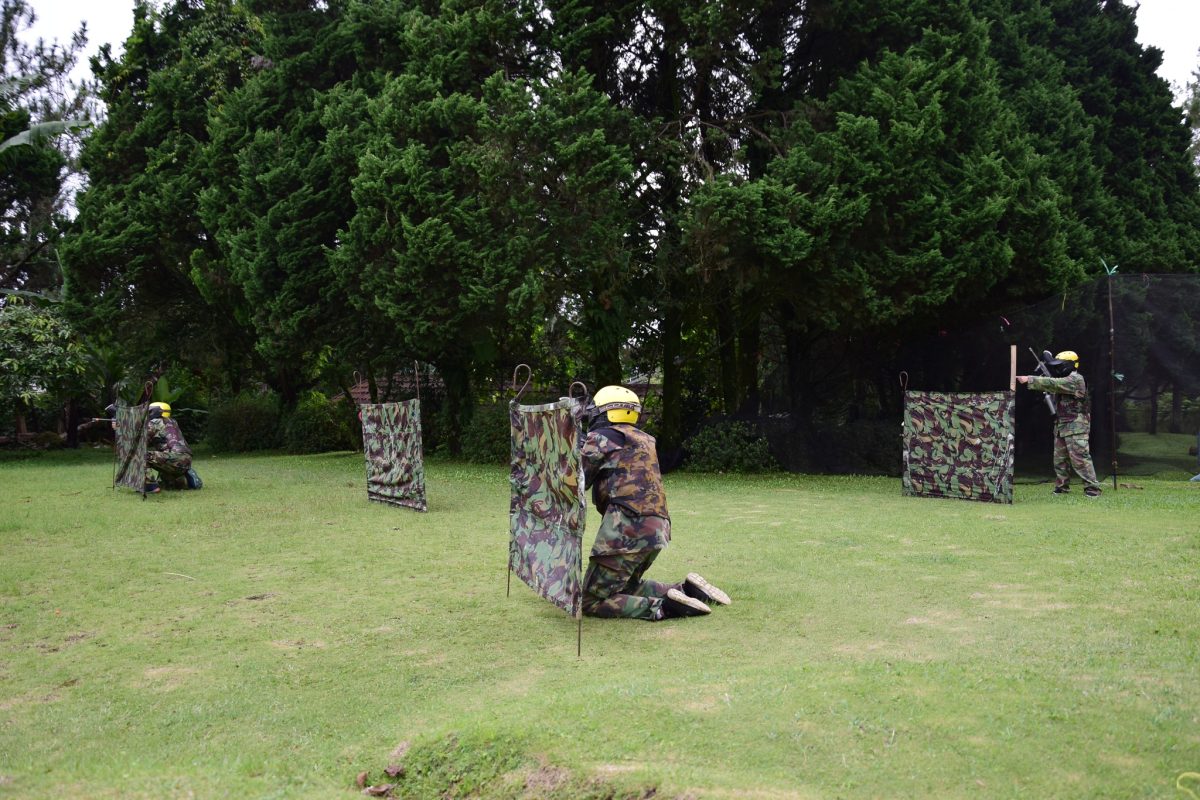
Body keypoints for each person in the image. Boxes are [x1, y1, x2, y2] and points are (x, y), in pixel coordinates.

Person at [580, 385, 730, 620]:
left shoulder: (602, 438)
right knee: (624, 587)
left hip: (626, 526)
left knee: (590, 600)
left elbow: (578, 479)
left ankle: (663, 608)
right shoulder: (644, 439)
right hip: (658, 526)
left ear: (605, 412)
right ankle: (687, 591)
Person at [1016, 350, 1102, 497]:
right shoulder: (1065, 379)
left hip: (1076, 426)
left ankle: (1092, 488)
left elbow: (1054, 383)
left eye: (1061, 365)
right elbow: (1054, 384)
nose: (1058, 368)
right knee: (1060, 460)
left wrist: (1029, 379)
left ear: (1070, 365)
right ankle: (1062, 487)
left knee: (1080, 458)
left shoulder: (1076, 379)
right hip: (1062, 425)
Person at [145, 402, 201, 493]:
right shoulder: (173, 421)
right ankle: (186, 478)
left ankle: (150, 487)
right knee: (168, 484)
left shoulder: (154, 422)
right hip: (186, 459)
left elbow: (140, 442)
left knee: (142, 456)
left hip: (173, 457)